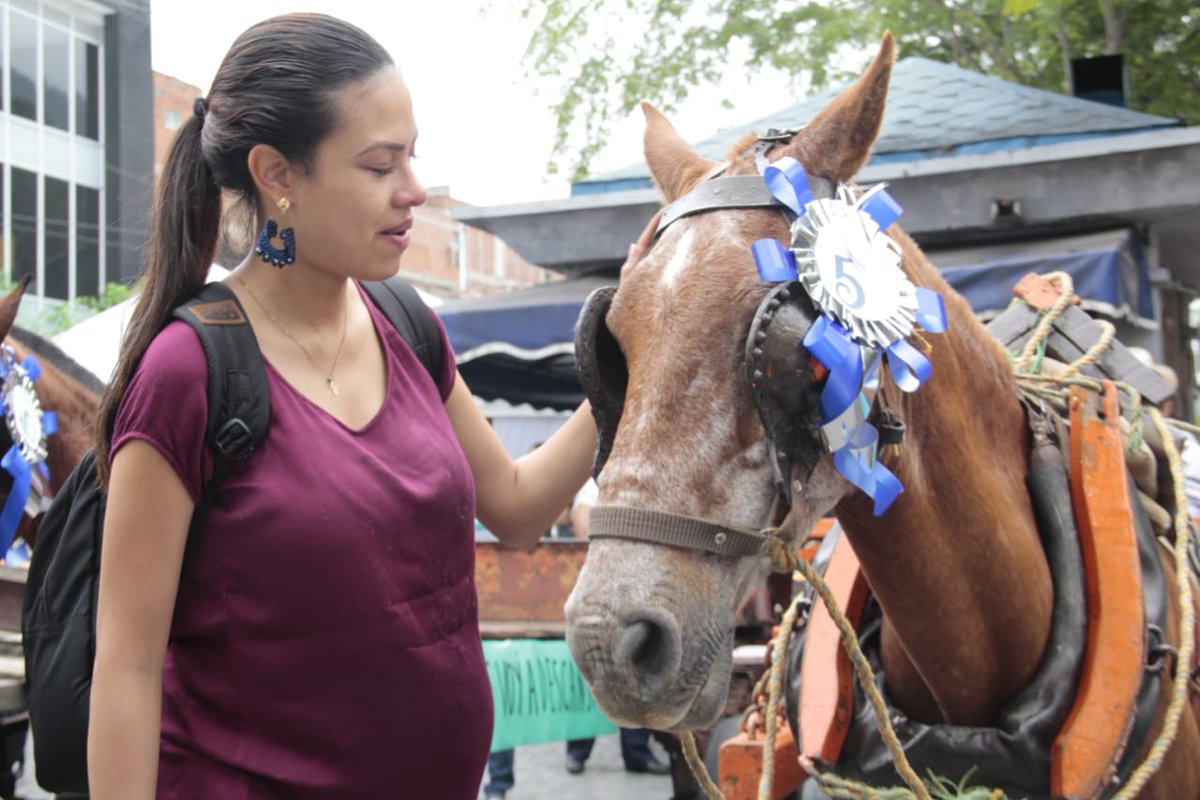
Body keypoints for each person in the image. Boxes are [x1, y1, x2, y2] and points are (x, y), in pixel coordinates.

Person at [86, 14, 659, 799]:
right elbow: (125, 665)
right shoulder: (189, 371)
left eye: (413, 156)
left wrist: (632, 337)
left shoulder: (405, 320)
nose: (415, 191)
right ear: (277, 174)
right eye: (379, 164)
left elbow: (519, 509)